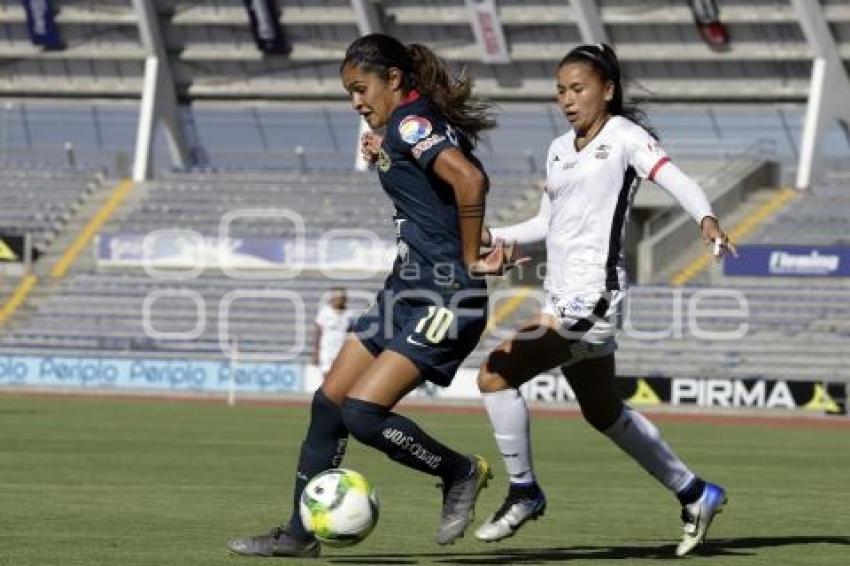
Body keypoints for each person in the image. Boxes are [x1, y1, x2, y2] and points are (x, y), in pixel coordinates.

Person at [228, 33, 521, 558]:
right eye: (349, 92)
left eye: (361, 88)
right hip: (405, 288)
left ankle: (459, 472)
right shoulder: (405, 126)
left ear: (394, 80)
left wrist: (474, 253)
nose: (356, 102)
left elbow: (470, 181)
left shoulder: (412, 123)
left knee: (363, 413)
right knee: (329, 405)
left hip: (446, 295)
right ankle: (299, 535)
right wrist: (386, 147)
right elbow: (430, 182)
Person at [472, 43, 736, 557]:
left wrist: (706, 219)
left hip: (593, 298)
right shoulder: (557, 148)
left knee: (495, 374)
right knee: (601, 410)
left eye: (578, 89)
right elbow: (546, 226)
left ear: (607, 90)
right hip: (560, 298)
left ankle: (525, 491)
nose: (567, 100)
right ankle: (696, 493)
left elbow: (675, 178)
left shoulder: (625, 137)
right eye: (560, 91)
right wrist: (492, 235)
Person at [312, 286, 354, 379]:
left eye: (341, 298)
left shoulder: (349, 314)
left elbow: (351, 334)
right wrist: (316, 353)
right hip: (327, 350)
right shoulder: (325, 312)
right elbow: (317, 333)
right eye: (336, 297)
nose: (339, 300)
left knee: (340, 378)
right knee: (326, 376)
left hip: (342, 351)